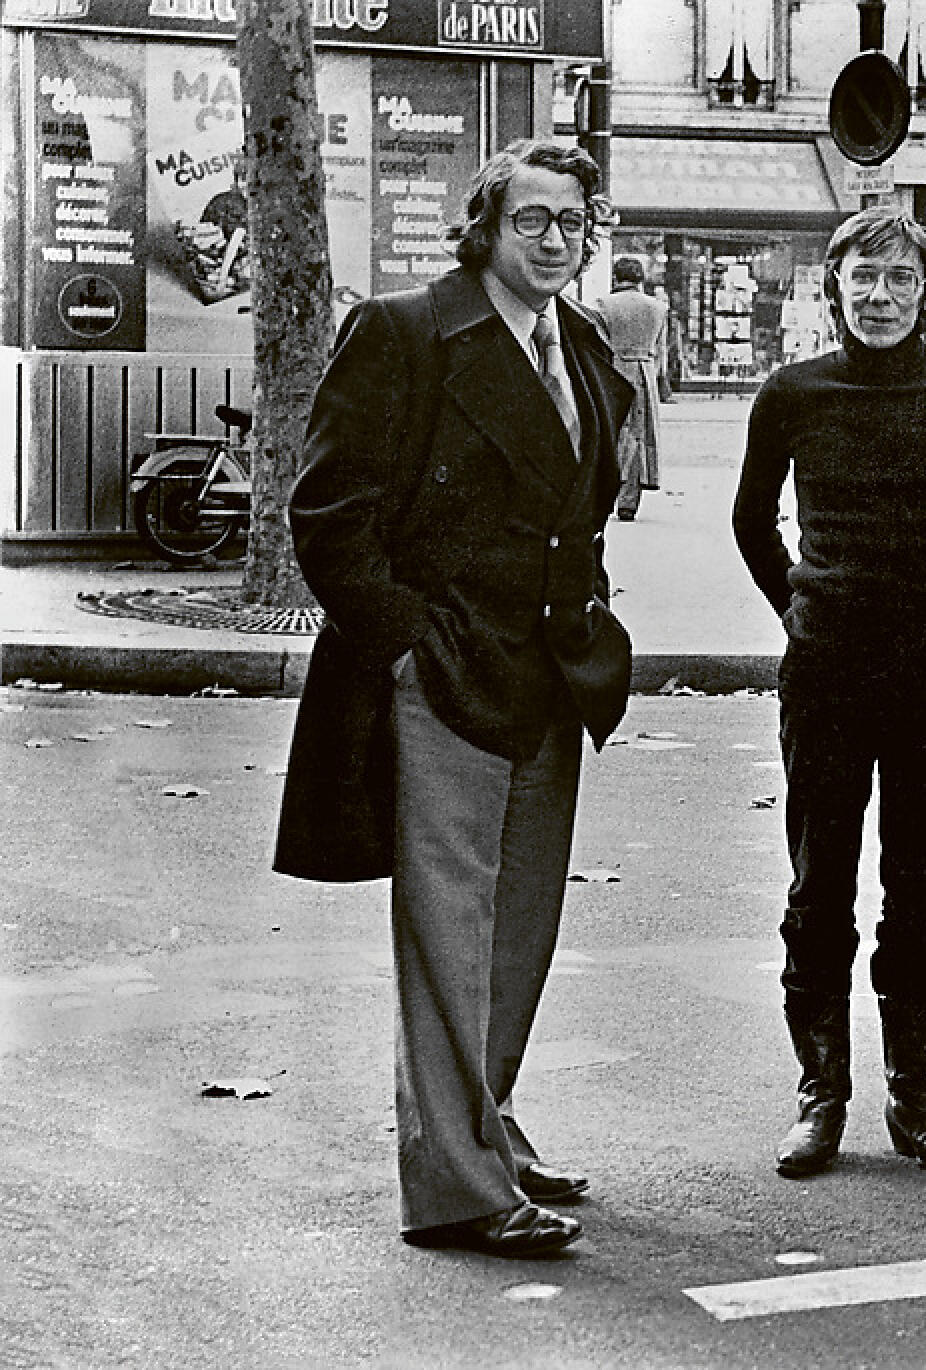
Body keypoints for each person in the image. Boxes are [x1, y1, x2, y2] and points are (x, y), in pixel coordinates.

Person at [273, 140, 637, 1258]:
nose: (556, 239)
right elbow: (327, 514)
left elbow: (580, 509)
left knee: (520, 928)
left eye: (573, 220)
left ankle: (488, 1126)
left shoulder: (581, 342)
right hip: (446, 670)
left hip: (551, 671)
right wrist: (405, 646)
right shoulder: (404, 331)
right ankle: (456, 1186)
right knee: (448, 935)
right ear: (484, 227)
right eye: (532, 218)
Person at [733, 207, 926, 1184]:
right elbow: (751, 520)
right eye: (864, 279)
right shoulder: (792, 391)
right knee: (819, 885)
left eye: (901, 280)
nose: (881, 297)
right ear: (834, 289)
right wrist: (803, 608)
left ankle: (915, 1094)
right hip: (825, 672)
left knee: (917, 887)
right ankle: (821, 1093)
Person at [595, 255, 669, 521]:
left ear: (616, 278)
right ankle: (629, 500)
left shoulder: (603, 305)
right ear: (641, 280)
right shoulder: (658, 308)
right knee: (639, 435)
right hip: (644, 371)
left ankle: (606, 493)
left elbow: (598, 344)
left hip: (612, 369)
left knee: (611, 431)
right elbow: (661, 351)